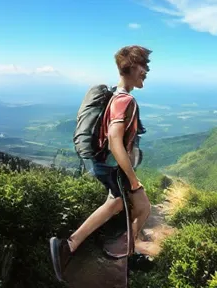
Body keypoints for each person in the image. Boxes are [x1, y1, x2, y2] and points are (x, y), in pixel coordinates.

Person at [49, 45, 152, 282]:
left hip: (105, 165)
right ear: (131, 66)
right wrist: (134, 182)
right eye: (143, 65)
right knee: (142, 206)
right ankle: (88, 249)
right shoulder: (126, 101)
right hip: (112, 166)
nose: (146, 71)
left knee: (116, 203)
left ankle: (116, 252)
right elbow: (115, 140)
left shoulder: (116, 95)